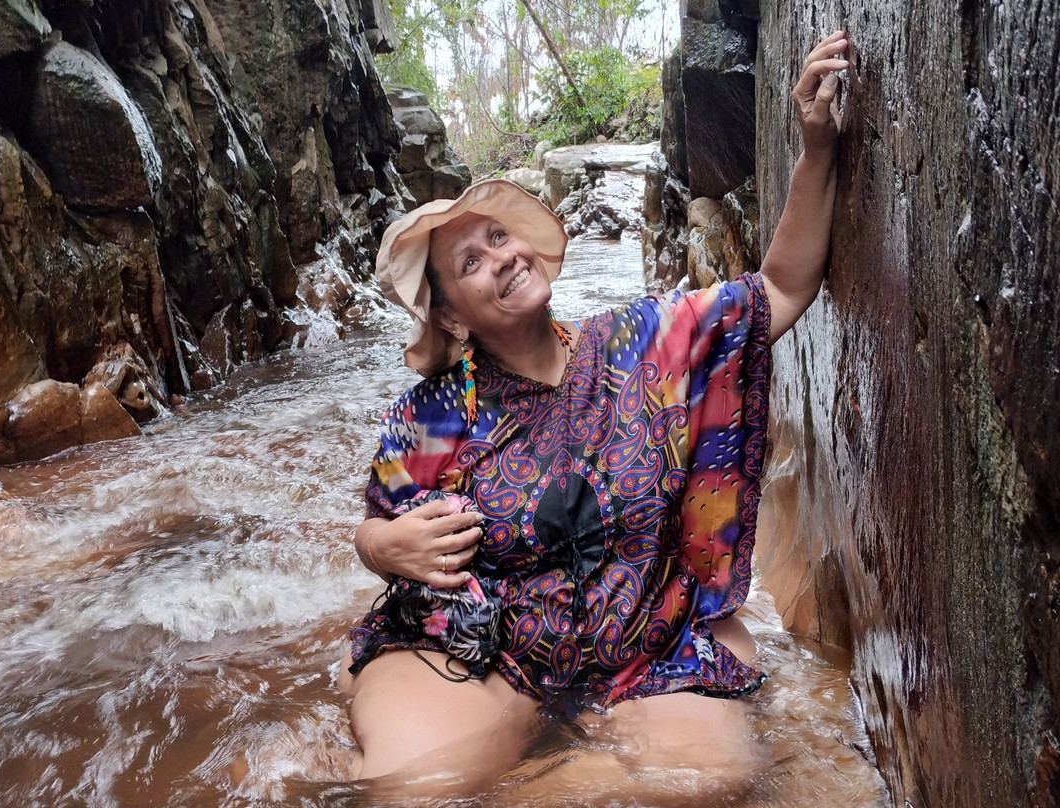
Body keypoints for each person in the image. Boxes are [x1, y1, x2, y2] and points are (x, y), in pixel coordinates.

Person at [336, 31, 850, 794]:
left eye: (499, 237)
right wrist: (379, 546)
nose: (502, 257)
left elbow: (780, 290)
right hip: (496, 660)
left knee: (706, 784)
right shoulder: (434, 416)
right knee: (414, 785)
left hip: (651, 651)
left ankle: (564, 770)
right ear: (450, 320)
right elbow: (380, 529)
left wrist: (815, 150)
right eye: (470, 263)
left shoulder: (647, 344)